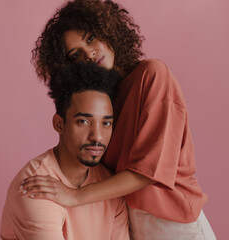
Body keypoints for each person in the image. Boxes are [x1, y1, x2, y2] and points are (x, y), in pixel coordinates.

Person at [21, 0, 216, 239]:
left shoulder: (152, 75)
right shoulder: (103, 101)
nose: (90, 54)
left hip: (174, 223)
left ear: (108, 30)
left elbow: (147, 171)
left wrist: (73, 196)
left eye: (91, 38)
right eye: (76, 54)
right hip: (130, 223)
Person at [0, 62, 129, 240]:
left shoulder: (109, 188)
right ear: (59, 124)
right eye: (84, 121)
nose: (98, 137)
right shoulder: (34, 187)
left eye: (106, 123)